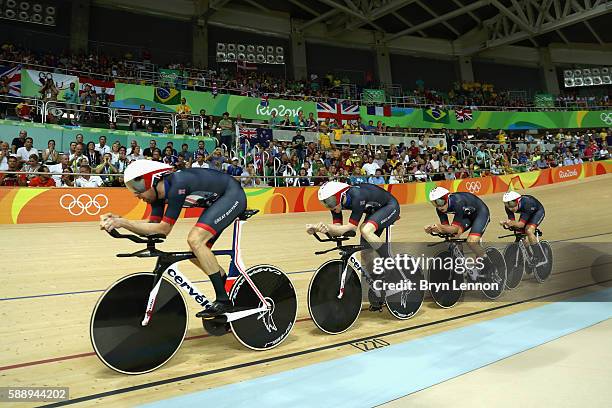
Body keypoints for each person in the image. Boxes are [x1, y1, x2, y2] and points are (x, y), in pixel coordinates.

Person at [99, 160, 248, 318]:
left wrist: (124, 222)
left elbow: (164, 229)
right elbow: (153, 229)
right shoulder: (156, 197)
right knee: (195, 251)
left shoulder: (178, 185)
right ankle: (226, 284)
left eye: (138, 188)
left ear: (153, 180)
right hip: (218, 201)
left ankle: (224, 301)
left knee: (195, 240)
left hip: (232, 195)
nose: (136, 194)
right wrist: (121, 221)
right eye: (132, 188)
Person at [306, 181, 400, 311]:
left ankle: (391, 265)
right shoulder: (336, 205)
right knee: (366, 254)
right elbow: (339, 229)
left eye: (330, 201)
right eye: (325, 203)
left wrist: (327, 227)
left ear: (340, 195)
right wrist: (318, 228)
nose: (329, 206)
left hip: (390, 206)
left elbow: (351, 228)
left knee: (365, 230)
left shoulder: (357, 196)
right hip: (375, 211)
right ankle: (378, 289)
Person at [424, 187, 490, 280]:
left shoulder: (458, 202)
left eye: (439, 202)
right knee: (453, 239)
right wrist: (432, 229)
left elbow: (454, 229)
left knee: (471, 242)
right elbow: (446, 229)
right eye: (434, 203)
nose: (438, 206)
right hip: (467, 215)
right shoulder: (439, 208)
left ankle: (488, 264)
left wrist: (441, 227)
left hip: (481, 213)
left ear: (447, 198)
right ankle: (463, 267)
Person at [500, 191, 546, 266]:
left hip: (538, 212)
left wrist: (508, 223)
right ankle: (529, 255)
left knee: (528, 230)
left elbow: (521, 224)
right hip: (527, 213)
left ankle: (538, 257)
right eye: (507, 204)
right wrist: (508, 223)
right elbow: (512, 222)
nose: (510, 208)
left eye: (512, 204)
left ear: (518, 201)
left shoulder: (527, 204)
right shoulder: (508, 207)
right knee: (518, 233)